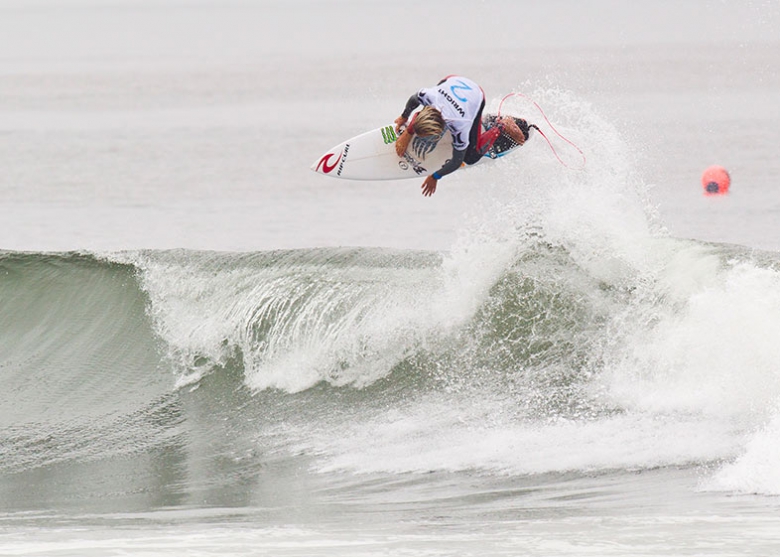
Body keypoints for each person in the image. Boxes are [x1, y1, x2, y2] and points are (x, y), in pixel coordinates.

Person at [394, 75, 530, 196]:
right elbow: (414, 99)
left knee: (471, 157)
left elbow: (457, 160)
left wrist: (435, 176)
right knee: (427, 117)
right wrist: (404, 119)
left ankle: (500, 126)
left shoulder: (459, 125)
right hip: (451, 81)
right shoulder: (429, 96)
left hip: (476, 96)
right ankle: (415, 128)